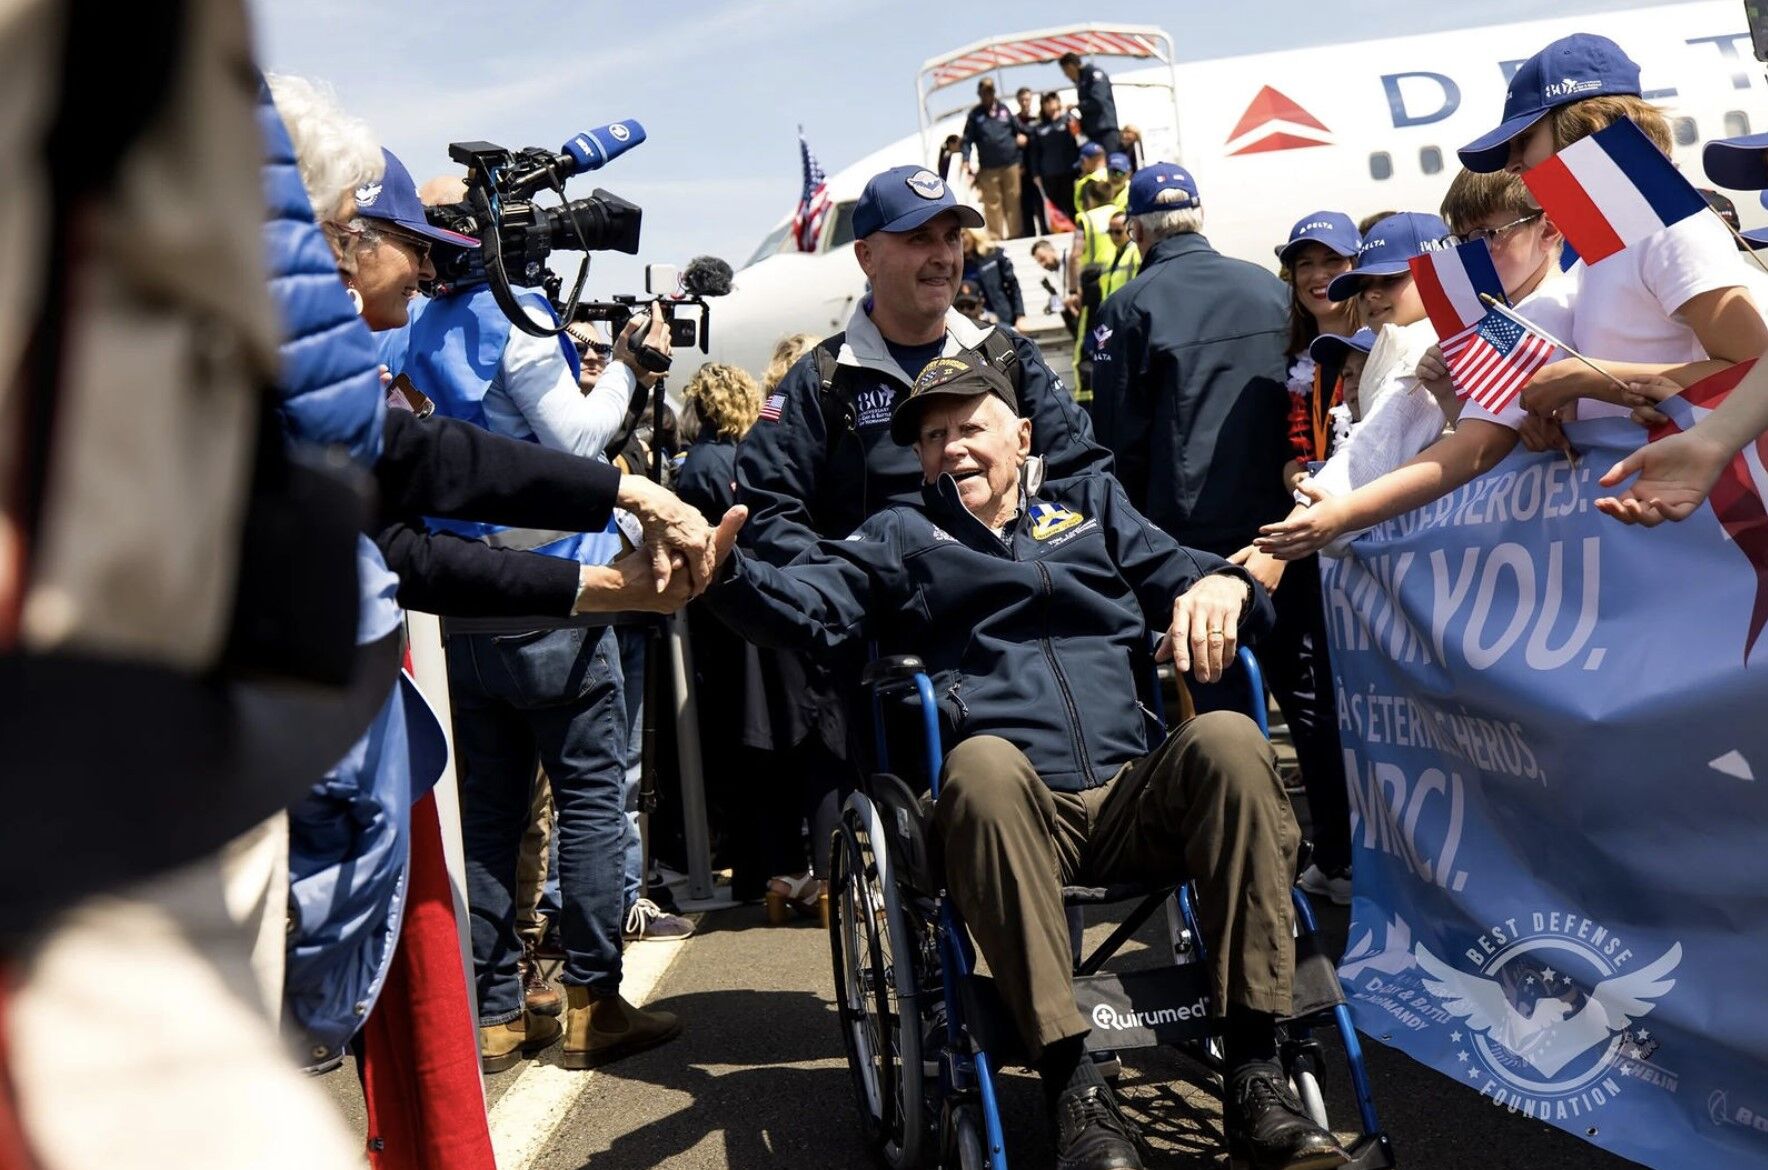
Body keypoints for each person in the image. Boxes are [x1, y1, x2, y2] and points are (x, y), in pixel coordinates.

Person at [707, 354, 1345, 1170]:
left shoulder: (1089, 511)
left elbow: (1200, 579)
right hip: (1011, 814)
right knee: (981, 766)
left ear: (1022, 435)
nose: (951, 447)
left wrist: (1226, 584)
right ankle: (1073, 1086)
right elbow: (808, 605)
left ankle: (1255, 1073)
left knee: (1230, 740)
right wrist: (725, 574)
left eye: (969, 427)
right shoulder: (899, 533)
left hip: (1131, 794)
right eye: (932, 437)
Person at [390, 175, 694, 1071]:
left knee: (489, 816)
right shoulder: (513, 316)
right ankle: (596, 1003)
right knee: (591, 800)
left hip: (463, 603)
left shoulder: (413, 326)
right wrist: (631, 369)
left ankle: (495, 1011)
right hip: (558, 594)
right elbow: (578, 443)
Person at [1255, 176, 1576, 563]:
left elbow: (1473, 446)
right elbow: (1487, 431)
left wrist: (1340, 513)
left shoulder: (1532, 313)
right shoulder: (1497, 321)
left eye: (1487, 235)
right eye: (1463, 241)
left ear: (1548, 230)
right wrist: (1450, 396)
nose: (1373, 295)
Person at [1211, 211, 1360, 903]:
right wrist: (1297, 475)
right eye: (1304, 264)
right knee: (1319, 707)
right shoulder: (1299, 358)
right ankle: (1340, 853)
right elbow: (1302, 454)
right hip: (1321, 556)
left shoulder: (1375, 343)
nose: (1317, 276)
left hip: (1367, 554)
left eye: (1332, 261)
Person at [1088, 164, 1291, 561]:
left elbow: (1116, 440)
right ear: (1200, 217)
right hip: (1285, 522)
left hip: (1188, 536)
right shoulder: (1270, 287)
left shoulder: (1127, 308)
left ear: (1136, 230)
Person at [961, 77, 1027, 239]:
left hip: (1011, 163)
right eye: (984, 92)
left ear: (994, 92)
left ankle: (1016, 235)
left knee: (1013, 200)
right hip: (988, 167)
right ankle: (996, 238)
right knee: (992, 203)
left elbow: (1016, 131)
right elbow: (967, 140)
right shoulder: (975, 115)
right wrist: (966, 160)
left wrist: (1021, 149)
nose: (987, 95)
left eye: (990, 92)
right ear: (979, 94)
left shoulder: (1004, 109)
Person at [1029, 90, 1081, 223]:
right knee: (1056, 209)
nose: (1050, 103)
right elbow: (1034, 153)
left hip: (1069, 171)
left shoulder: (1069, 119)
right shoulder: (1039, 127)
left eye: (1052, 99)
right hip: (1049, 174)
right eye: (1046, 101)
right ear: (1042, 105)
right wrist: (1035, 174)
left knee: (1072, 205)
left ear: (1058, 101)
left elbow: (1080, 140)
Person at [962, 227, 1026, 328]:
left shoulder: (995, 253)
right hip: (975, 322)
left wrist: (1020, 315)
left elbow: (1013, 286)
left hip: (1004, 318)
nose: (961, 240)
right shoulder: (959, 264)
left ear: (973, 233)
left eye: (963, 235)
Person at [1060, 51, 1120, 154]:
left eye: (1065, 71)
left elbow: (1098, 101)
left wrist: (1076, 106)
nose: (1066, 75)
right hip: (1093, 132)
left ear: (1070, 66)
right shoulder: (1082, 80)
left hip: (1105, 131)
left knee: (1112, 161)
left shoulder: (1094, 74)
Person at [1015, 85, 1046, 234]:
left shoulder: (1039, 119)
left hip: (1039, 168)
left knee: (1041, 201)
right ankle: (1029, 234)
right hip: (1023, 169)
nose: (1024, 102)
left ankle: (1046, 231)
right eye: (1022, 100)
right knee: (1026, 204)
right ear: (1018, 101)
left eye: (1027, 99)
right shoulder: (1014, 121)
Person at [1098, 212, 1140, 301]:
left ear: (1129, 230)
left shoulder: (1137, 252)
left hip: (1127, 306)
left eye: (1118, 232)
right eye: (1110, 232)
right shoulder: (1111, 254)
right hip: (1111, 306)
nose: (1114, 236)